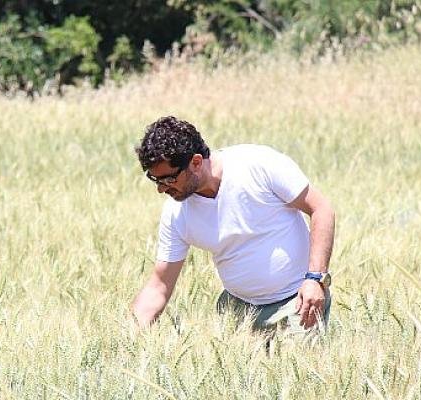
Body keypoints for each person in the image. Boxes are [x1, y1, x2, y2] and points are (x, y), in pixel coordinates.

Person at [131, 116, 335, 338]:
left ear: (196, 162)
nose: (161, 189)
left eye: (168, 179)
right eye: (155, 179)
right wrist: (128, 338)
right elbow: (159, 286)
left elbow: (321, 209)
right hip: (237, 314)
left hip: (298, 302)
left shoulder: (257, 165)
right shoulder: (176, 214)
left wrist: (315, 280)